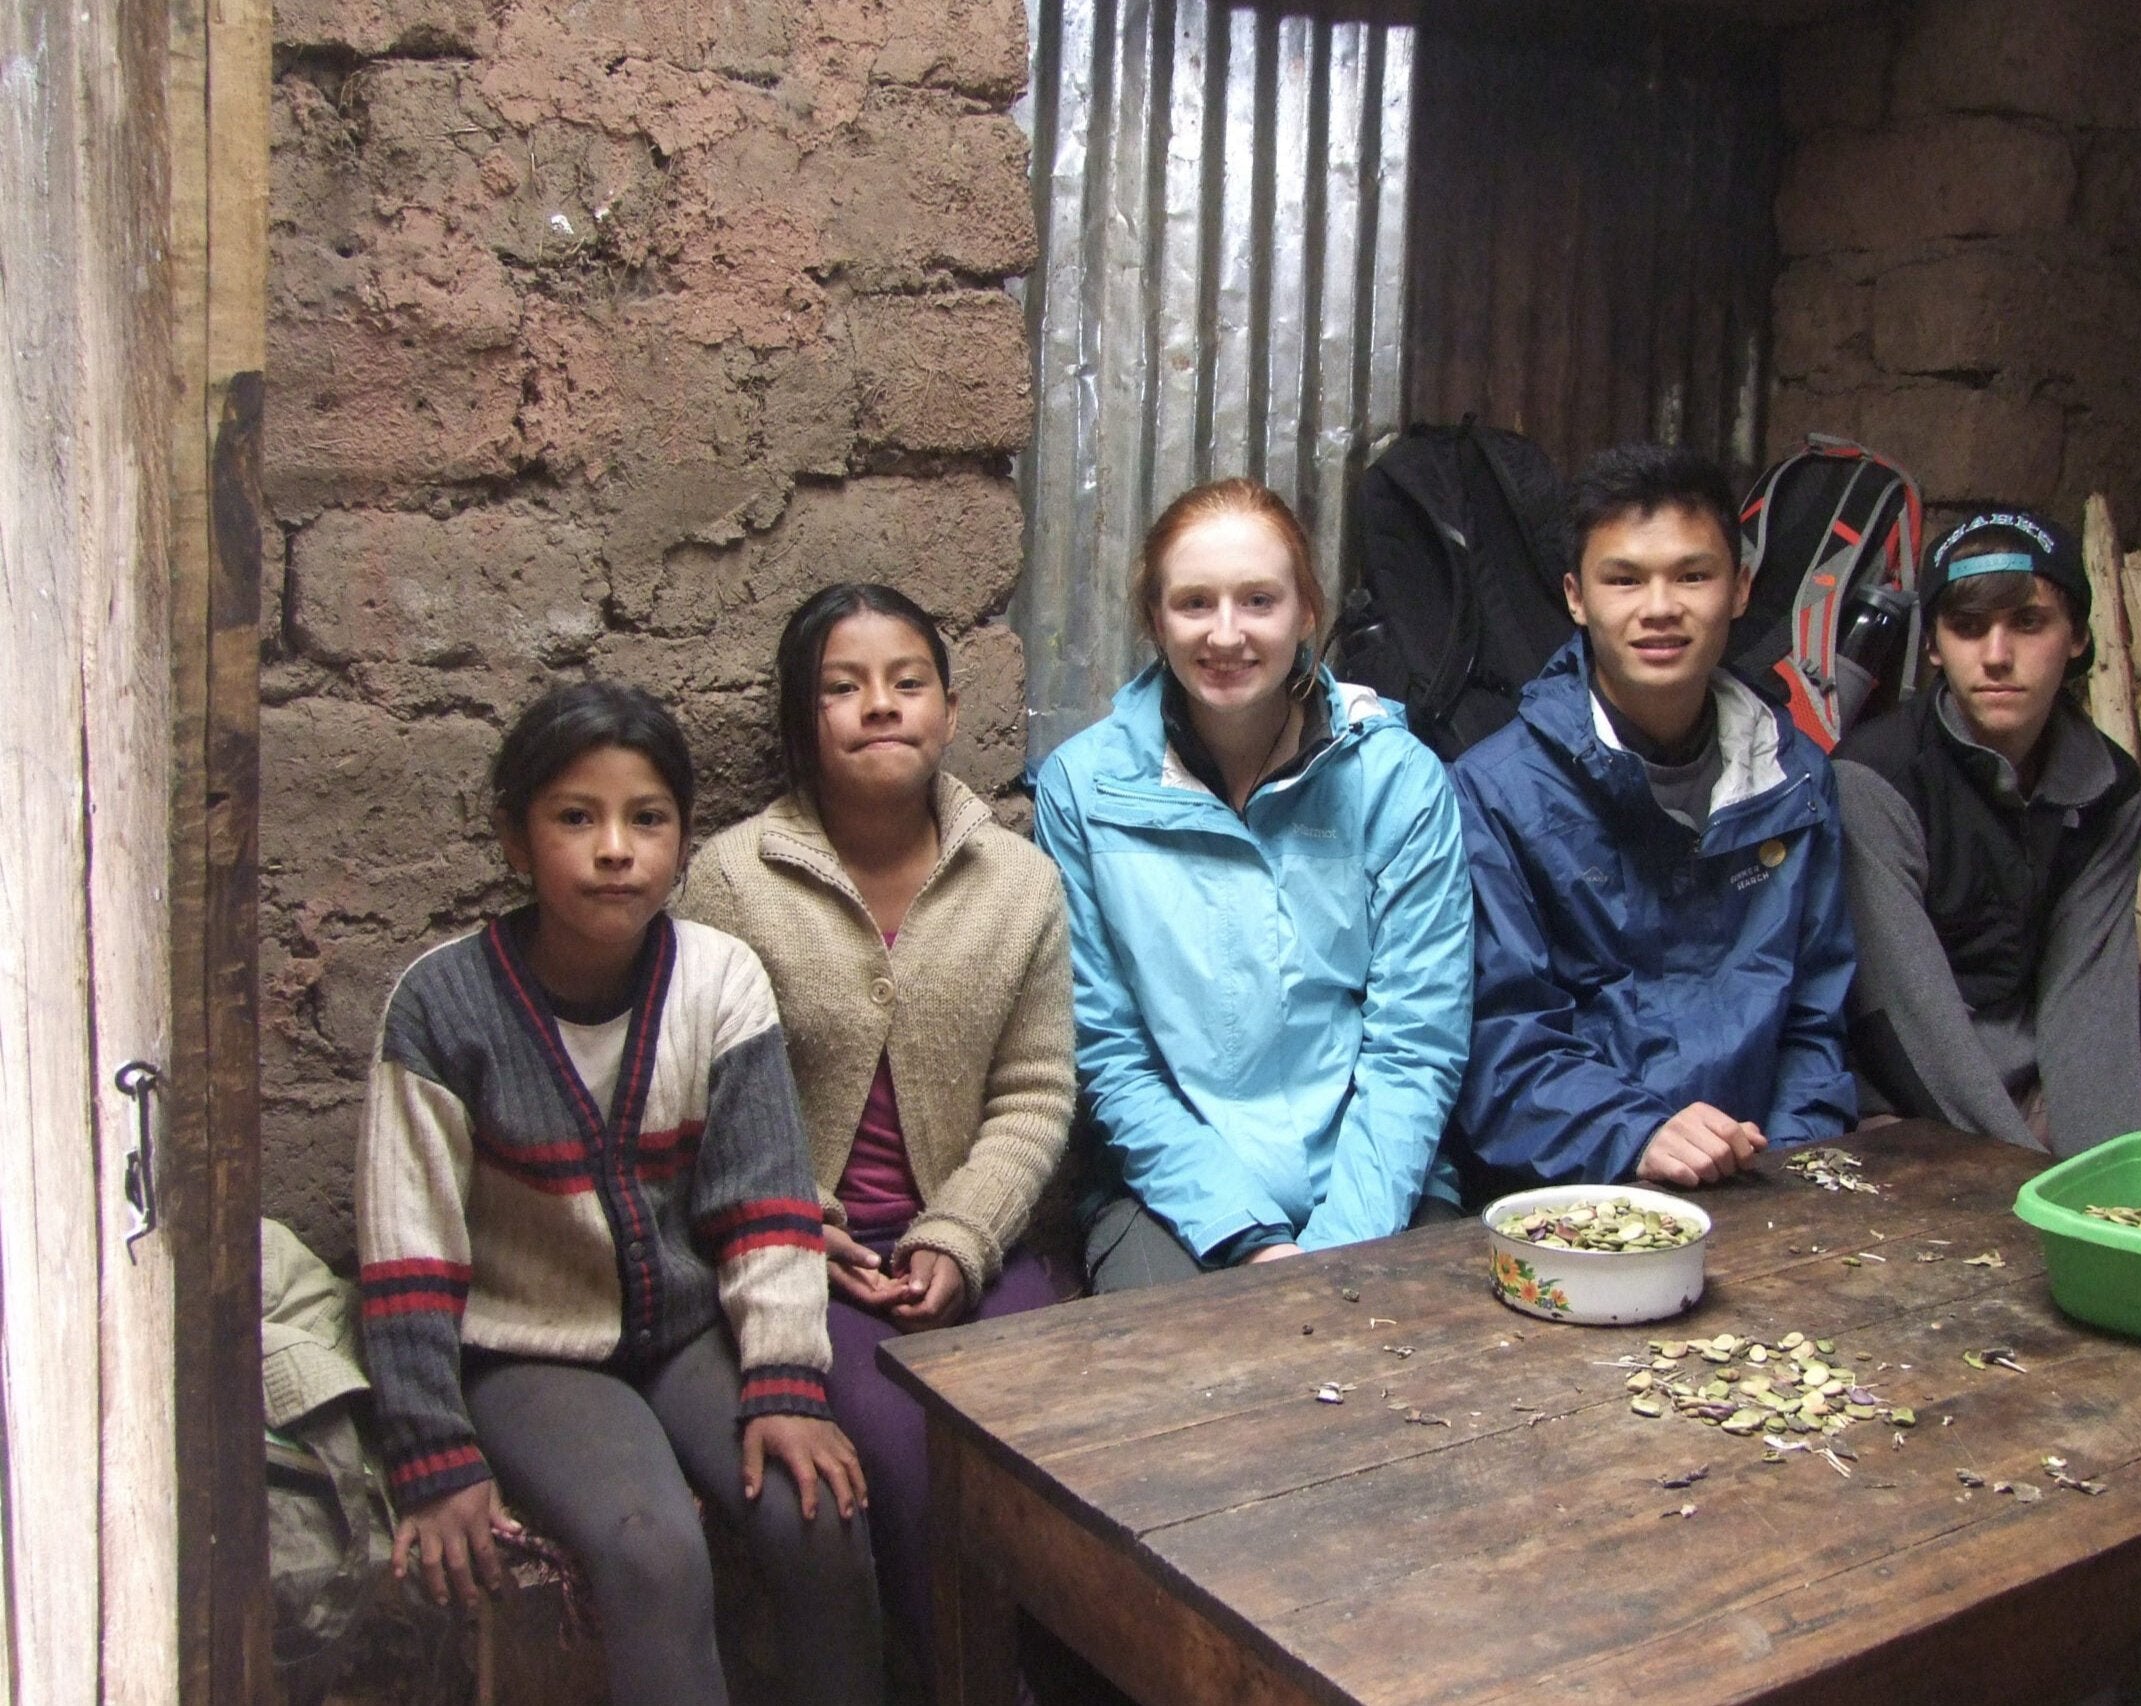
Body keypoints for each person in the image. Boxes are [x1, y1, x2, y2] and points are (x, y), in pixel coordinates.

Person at [355, 681, 880, 1706]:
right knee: (650, 1547)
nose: (614, 849)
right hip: (528, 1349)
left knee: (816, 1512)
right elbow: (405, 1246)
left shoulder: (718, 980)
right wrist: (431, 1451)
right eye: (574, 817)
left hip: (686, 1333)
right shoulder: (440, 1005)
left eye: (648, 818)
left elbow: (765, 1202)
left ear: (682, 840)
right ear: (514, 839)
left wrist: (783, 1381)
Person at [680, 583, 1077, 1686]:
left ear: (949, 709)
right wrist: (800, 1228)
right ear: (803, 721)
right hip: (808, 1260)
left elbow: (1038, 1088)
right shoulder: (731, 879)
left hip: (975, 1248)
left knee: (1045, 1446)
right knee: (900, 1461)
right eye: (842, 688)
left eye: (907, 682)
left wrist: (959, 1234)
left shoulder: (1021, 882)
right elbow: (694, 1102)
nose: (879, 706)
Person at [1033, 477, 1474, 1290]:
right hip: (1173, 1197)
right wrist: (1251, 1241)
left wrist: (1344, 1240)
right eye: (1195, 602)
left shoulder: (1394, 780)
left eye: (1259, 600)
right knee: (1197, 1388)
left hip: (1380, 1183)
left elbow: (1416, 1042)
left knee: (1398, 1381)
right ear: (1154, 619)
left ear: (1307, 613)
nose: (1226, 633)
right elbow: (1110, 1054)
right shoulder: (1083, 790)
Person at [1446, 442, 1859, 1198]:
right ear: (1576, 597)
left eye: (1692, 575)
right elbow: (1500, 1045)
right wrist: (1636, 1134)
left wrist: (1795, 1166)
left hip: (1762, 1179)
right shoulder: (1494, 795)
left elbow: (1815, 1020)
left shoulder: (1794, 779)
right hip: (1579, 1188)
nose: (1660, 607)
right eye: (1625, 579)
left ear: (1739, 589)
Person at [1834, 511, 2141, 1153]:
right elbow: (1912, 1024)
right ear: (1933, 646)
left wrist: (2107, 1184)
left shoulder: (2104, 784)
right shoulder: (1875, 777)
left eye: (2028, 624)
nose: (1997, 656)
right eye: (1968, 628)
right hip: (1907, 1099)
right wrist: (2034, 1182)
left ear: (2079, 637)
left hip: (2037, 1061)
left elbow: (2086, 992)